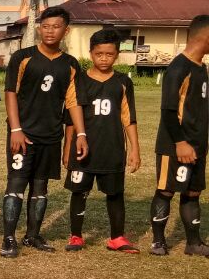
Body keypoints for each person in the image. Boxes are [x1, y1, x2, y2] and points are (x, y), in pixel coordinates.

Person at [0, 6, 88, 258]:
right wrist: (16, 129)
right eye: (46, 26)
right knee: (16, 185)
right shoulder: (23, 57)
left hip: (50, 136)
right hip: (23, 134)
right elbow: (10, 93)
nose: (50, 31)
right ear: (39, 29)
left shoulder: (70, 64)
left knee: (40, 188)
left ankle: (33, 235)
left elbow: (73, 102)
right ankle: (8, 238)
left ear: (66, 31)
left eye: (56, 27)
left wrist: (81, 134)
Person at [63, 29, 140, 253]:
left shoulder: (123, 82)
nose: (104, 58)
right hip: (83, 149)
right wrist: (67, 148)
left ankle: (117, 237)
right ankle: (76, 236)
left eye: (109, 54)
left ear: (117, 55)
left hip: (112, 148)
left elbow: (128, 117)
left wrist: (135, 149)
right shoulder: (79, 80)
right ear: (91, 53)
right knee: (79, 192)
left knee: (115, 194)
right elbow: (71, 118)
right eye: (99, 54)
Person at [150, 14, 209, 257]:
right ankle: (158, 242)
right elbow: (168, 111)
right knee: (166, 190)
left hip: (198, 146)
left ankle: (193, 243)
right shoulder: (179, 68)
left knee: (193, 193)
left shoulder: (201, 67)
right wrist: (181, 143)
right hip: (175, 145)